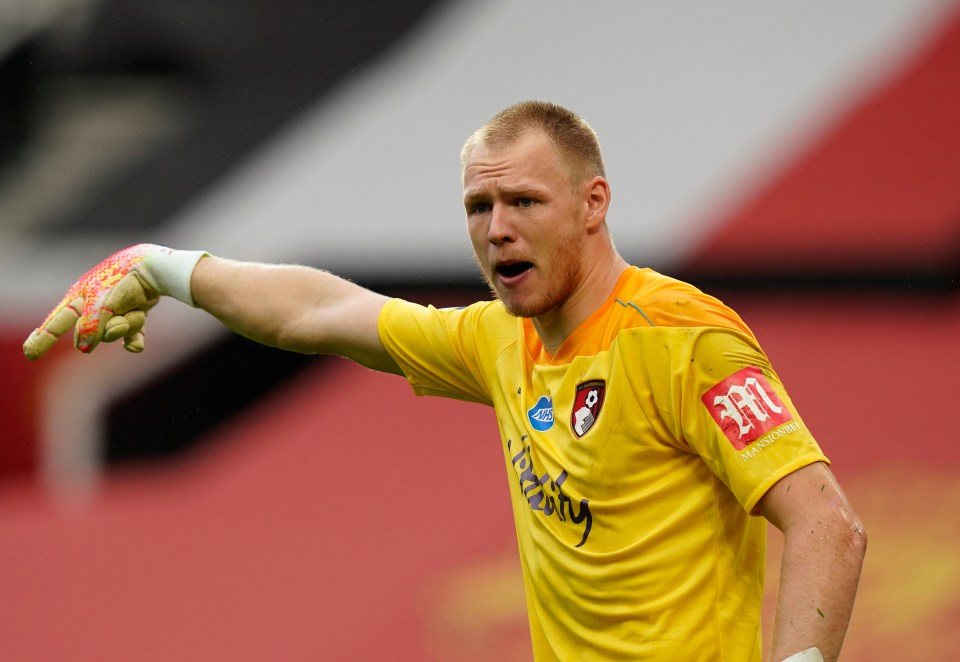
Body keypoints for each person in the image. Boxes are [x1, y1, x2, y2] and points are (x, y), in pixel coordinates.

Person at [23, 101, 866, 661]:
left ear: (593, 203)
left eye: (525, 204)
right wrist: (160, 266)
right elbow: (321, 313)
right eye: (476, 208)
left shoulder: (685, 338)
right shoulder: (498, 341)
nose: (497, 231)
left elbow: (828, 523)